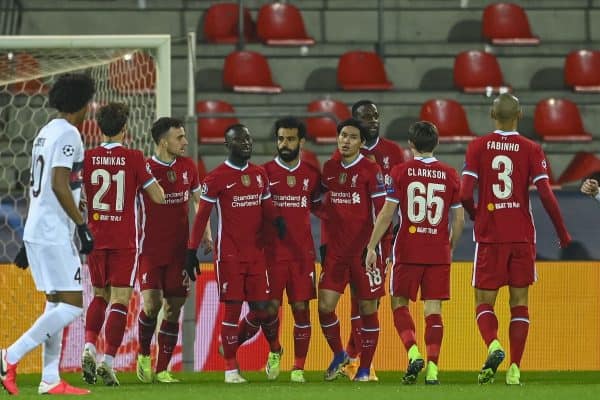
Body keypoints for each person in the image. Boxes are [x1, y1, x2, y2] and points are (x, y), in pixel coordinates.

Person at [460, 93, 572, 385]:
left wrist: (475, 214)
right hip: (521, 236)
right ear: (520, 114)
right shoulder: (532, 148)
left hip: (490, 236)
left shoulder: (477, 146)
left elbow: (463, 192)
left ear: (491, 114)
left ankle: (493, 345)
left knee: (484, 302)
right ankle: (514, 368)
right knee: (519, 303)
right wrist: (562, 231)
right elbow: (546, 194)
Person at [1, 73, 95, 395]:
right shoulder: (70, 134)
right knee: (72, 306)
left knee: (55, 303)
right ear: (83, 103)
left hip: (39, 228)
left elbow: (35, 184)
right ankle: (8, 356)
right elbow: (58, 183)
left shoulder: (46, 131)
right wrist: (82, 225)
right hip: (54, 231)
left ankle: (50, 378)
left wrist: (30, 235)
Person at [365, 121, 464, 385]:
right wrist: (449, 246)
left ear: (411, 145)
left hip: (408, 250)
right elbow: (459, 219)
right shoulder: (451, 174)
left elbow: (387, 213)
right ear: (437, 143)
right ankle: (432, 368)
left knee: (399, 303)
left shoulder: (400, 172)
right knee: (433, 310)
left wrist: (372, 246)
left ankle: (413, 351)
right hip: (438, 251)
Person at [185, 124, 285, 383]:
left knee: (263, 311)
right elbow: (202, 217)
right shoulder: (216, 178)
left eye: (248, 138)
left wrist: (278, 222)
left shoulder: (260, 174)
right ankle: (231, 369)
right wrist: (191, 250)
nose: (246, 143)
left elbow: (268, 208)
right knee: (231, 311)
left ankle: (275, 350)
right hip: (229, 256)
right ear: (227, 145)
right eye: (239, 140)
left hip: (256, 254)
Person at [80, 103, 165, 386]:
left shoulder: (88, 157)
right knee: (120, 300)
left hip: (94, 238)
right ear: (125, 129)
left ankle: (89, 347)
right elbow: (158, 197)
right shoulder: (134, 157)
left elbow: (79, 194)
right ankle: (107, 362)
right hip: (124, 240)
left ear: (99, 128)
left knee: (99, 296)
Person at [234, 118, 321, 383]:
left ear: (301, 142)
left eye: (290, 139)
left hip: (301, 255)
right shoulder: (263, 173)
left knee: (301, 309)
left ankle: (298, 369)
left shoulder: (311, 174)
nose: (284, 144)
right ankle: (262, 349)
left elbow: (319, 208)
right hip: (270, 255)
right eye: (281, 139)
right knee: (265, 311)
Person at [330, 100, 405, 380]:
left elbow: (403, 191)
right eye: (365, 117)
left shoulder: (392, 152)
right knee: (356, 299)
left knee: (372, 301)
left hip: (383, 236)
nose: (372, 120)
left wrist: (398, 227)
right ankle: (357, 362)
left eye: (375, 115)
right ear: (354, 121)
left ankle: (351, 355)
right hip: (353, 239)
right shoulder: (342, 155)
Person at [135, 117, 212, 384]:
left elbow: (198, 201)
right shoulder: (143, 168)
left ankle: (162, 369)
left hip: (179, 253)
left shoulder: (188, 167)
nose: (185, 142)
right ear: (163, 141)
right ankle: (144, 353)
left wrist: (207, 232)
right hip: (149, 251)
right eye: (179, 137)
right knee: (151, 304)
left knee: (173, 308)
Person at [318, 118, 387, 382]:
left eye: (352, 137)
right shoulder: (330, 168)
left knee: (368, 309)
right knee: (325, 307)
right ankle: (339, 355)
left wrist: (376, 248)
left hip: (363, 253)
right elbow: (322, 205)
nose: (346, 141)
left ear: (361, 142)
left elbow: (383, 213)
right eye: (343, 135)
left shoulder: (371, 170)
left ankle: (365, 368)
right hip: (336, 253)